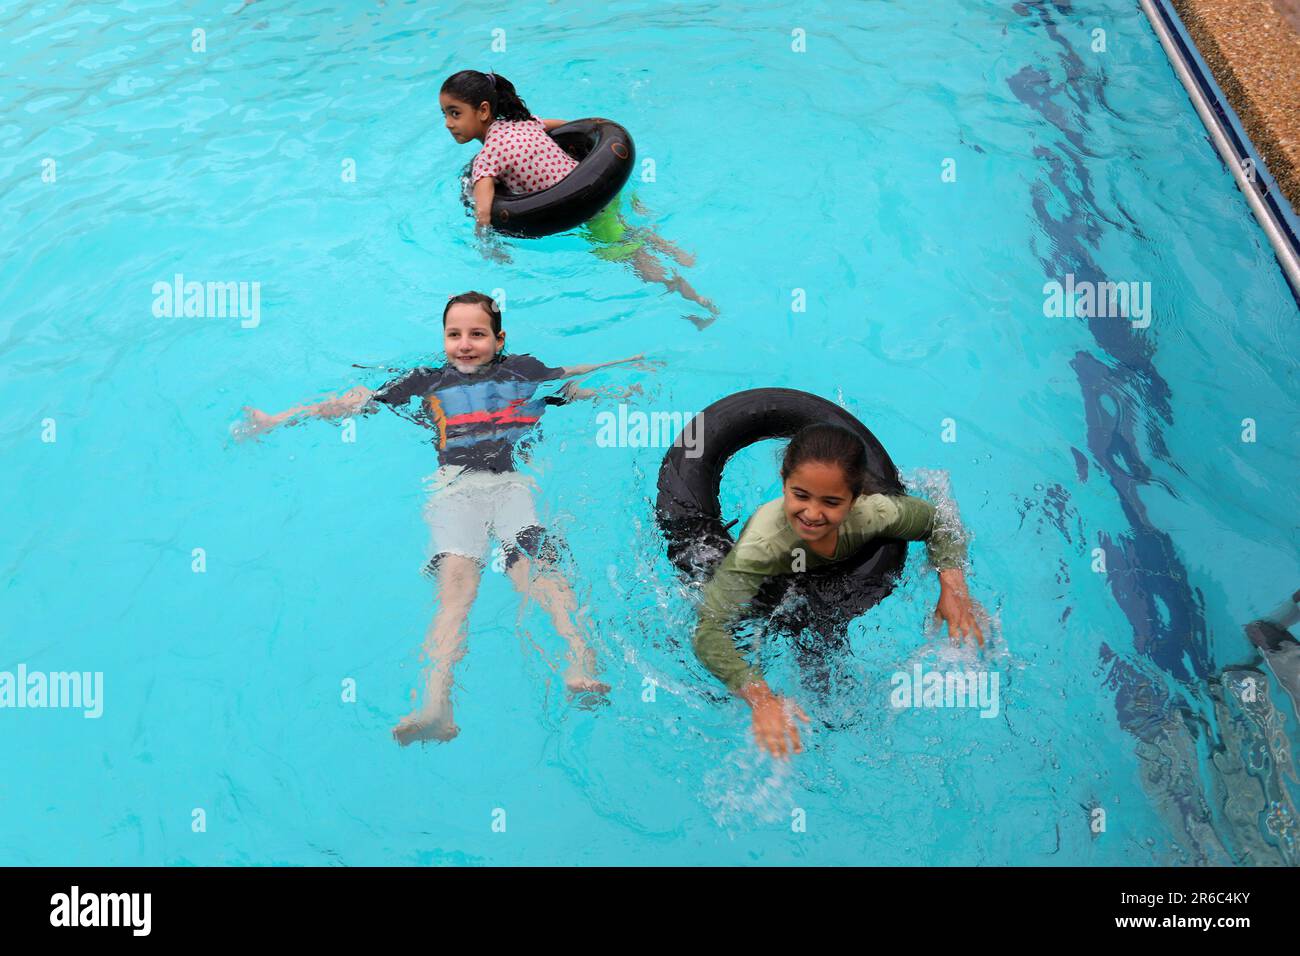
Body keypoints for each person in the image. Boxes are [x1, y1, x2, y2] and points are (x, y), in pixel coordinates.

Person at [237, 291, 659, 745]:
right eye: (454, 334)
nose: (464, 344)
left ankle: (581, 664)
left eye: (477, 334)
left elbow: (567, 383)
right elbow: (351, 405)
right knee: (456, 589)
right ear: (442, 338)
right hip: (454, 490)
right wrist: (278, 419)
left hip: (512, 483)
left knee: (532, 569)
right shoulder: (423, 381)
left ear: (499, 340)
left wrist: (622, 373)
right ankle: (436, 704)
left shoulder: (524, 370)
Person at [690, 423, 984, 758]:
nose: (812, 513)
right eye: (800, 495)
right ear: (784, 482)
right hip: (775, 583)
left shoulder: (872, 515)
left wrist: (952, 583)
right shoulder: (762, 545)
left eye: (831, 502)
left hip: (839, 579)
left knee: (834, 702)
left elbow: (937, 521)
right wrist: (761, 698)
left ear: (855, 498)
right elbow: (709, 631)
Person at [440, 69, 718, 326]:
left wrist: (487, 244)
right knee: (630, 231)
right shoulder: (524, 124)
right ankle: (679, 254)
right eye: (445, 114)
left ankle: (693, 298)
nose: (448, 124)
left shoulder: (487, 158)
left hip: (582, 211)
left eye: (455, 113)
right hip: (602, 190)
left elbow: (484, 212)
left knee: (632, 257)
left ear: (484, 110)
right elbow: (568, 126)